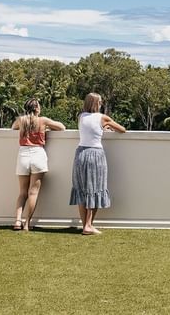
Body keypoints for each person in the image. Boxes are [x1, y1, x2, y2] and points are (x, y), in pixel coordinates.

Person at [70, 92, 126, 235]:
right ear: (96, 103)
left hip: (81, 153)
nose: (101, 104)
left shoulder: (80, 117)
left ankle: (86, 226)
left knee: (82, 190)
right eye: (100, 102)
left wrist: (102, 128)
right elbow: (122, 130)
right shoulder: (103, 118)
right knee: (95, 189)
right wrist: (107, 127)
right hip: (95, 154)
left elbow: (89, 129)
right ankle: (89, 225)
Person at [12, 98, 66, 231]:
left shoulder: (21, 120)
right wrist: (46, 127)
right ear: (36, 109)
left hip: (23, 155)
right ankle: (26, 223)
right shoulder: (43, 120)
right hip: (37, 154)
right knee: (33, 193)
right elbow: (62, 127)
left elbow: (13, 127)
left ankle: (17, 221)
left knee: (22, 192)